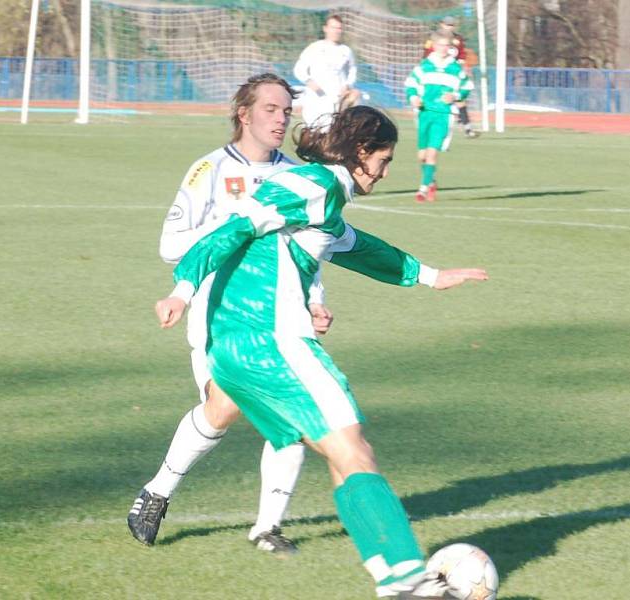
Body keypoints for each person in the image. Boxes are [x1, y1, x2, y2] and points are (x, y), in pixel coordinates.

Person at [154, 105, 489, 598]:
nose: (386, 170)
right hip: (273, 343)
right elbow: (230, 230)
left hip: (241, 349)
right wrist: (182, 291)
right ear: (360, 152)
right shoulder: (314, 185)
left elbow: (354, 246)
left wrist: (432, 276)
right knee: (353, 448)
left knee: (342, 451)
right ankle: (405, 577)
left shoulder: (322, 197)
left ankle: (390, 575)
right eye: (384, 158)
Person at [127, 73, 334, 553]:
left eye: (286, 110)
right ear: (244, 114)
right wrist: (238, 222)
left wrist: (316, 299)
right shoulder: (210, 171)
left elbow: (307, 248)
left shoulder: (296, 177)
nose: (282, 119)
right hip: (218, 313)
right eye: (271, 109)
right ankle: (158, 491)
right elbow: (169, 246)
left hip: (280, 316)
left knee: (292, 413)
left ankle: (268, 527)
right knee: (223, 407)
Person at [406, 31, 473, 203]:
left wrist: (455, 96)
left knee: (431, 154)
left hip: (443, 115)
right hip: (424, 113)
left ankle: (422, 189)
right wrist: (414, 98)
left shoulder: (455, 68)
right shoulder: (424, 66)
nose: (444, 49)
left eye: (447, 46)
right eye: (440, 45)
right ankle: (431, 181)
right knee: (421, 155)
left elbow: (467, 86)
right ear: (434, 46)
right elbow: (411, 85)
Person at [293, 14, 360, 129]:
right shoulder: (315, 48)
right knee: (314, 132)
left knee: (335, 133)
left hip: (337, 99)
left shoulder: (346, 51)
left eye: (339, 28)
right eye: (333, 27)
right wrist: (309, 81)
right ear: (325, 28)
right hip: (317, 98)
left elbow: (353, 70)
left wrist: (348, 85)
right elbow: (299, 69)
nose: (336, 31)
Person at [422, 16, 479, 139]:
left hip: (452, 73)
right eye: (447, 25)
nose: (449, 27)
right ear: (441, 24)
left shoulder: (458, 39)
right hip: (436, 72)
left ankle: (467, 128)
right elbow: (426, 55)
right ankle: (432, 125)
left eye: (451, 25)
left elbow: (462, 55)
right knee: (435, 98)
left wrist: (464, 69)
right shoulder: (433, 38)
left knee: (459, 98)